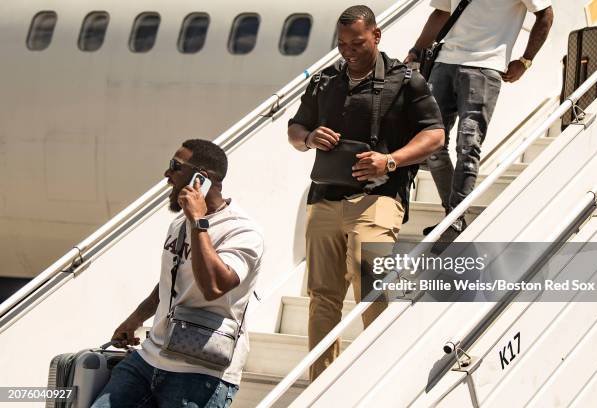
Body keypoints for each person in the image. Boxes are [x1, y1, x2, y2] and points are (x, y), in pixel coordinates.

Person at [288, 5, 445, 381]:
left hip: (378, 198)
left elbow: (435, 134)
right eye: (342, 44)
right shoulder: (325, 81)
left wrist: (390, 161)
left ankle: (379, 376)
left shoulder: (406, 80)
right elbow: (295, 129)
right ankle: (321, 383)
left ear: (376, 36)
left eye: (357, 42)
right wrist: (309, 138)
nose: (348, 50)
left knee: (371, 285)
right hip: (324, 199)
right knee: (321, 298)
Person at [91, 139, 264, 408]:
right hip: (148, 359)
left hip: (201, 372)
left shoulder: (242, 231)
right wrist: (135, 319)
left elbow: (214, 287)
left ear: (200, 178)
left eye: (175, 167)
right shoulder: (179, 223)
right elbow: (171, 281)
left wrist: (198, 221)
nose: (167, 175)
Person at [405, 0, 554, 240]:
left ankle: (453, 222)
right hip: (444, 63)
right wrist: (415, 50)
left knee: (468, 145)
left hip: (485, 68)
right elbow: (441, 12)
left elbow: (545, 15)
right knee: (431, 143)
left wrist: (526, 60)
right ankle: (454, 218)